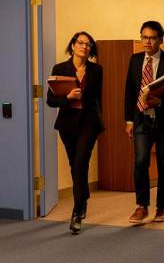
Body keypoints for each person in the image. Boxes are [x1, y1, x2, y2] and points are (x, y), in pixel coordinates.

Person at [46, 31, 104, 234]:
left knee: (79, 162)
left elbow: (98, 98)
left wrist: (100, 123)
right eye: (80, 43)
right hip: (68, 124)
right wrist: (68, 98)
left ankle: (77, 211)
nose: (84, 47)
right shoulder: (60, 68)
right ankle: (84, 196)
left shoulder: (97, 70)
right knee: (76, 165)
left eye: (88, 44)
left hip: (89, 123)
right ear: (72, 46)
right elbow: (50, 101)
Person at [124, 21, 164, 223]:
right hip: (141, 120)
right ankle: (141, 206)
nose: (147, 41)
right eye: (143, 37)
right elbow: (130, 91)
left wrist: (161, 101)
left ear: (160, 40)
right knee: (140, 162)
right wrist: (129, 120)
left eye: (151, 37)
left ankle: (162, 207)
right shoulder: (135, 59)